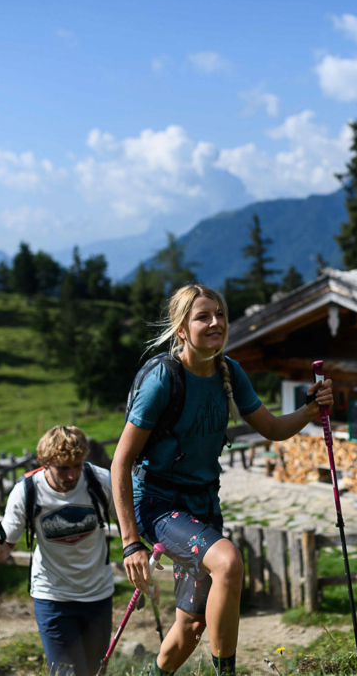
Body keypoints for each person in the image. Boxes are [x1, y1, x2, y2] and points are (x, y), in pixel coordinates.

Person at [111, 284, 333, 676]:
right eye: (203, 316)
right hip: (159, 506)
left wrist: (311, 409)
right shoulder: (164, 379)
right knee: (228, 561)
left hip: (203, 509)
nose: (215, 323)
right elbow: (121, 462)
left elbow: (273, 428)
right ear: (182, 328)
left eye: (220, 315)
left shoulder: (228, 371)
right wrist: (131, 544)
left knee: (192, 625)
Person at [0, 425, 115, 676]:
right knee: (67, 673)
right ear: (45, 463)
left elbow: (130, 527)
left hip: (98, 594)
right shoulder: (27, 492)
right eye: (63, 468)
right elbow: (3, 551)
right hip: (52, 597)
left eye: (77, 465)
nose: (72, 475)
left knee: (95, 672)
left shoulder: (101, 481)